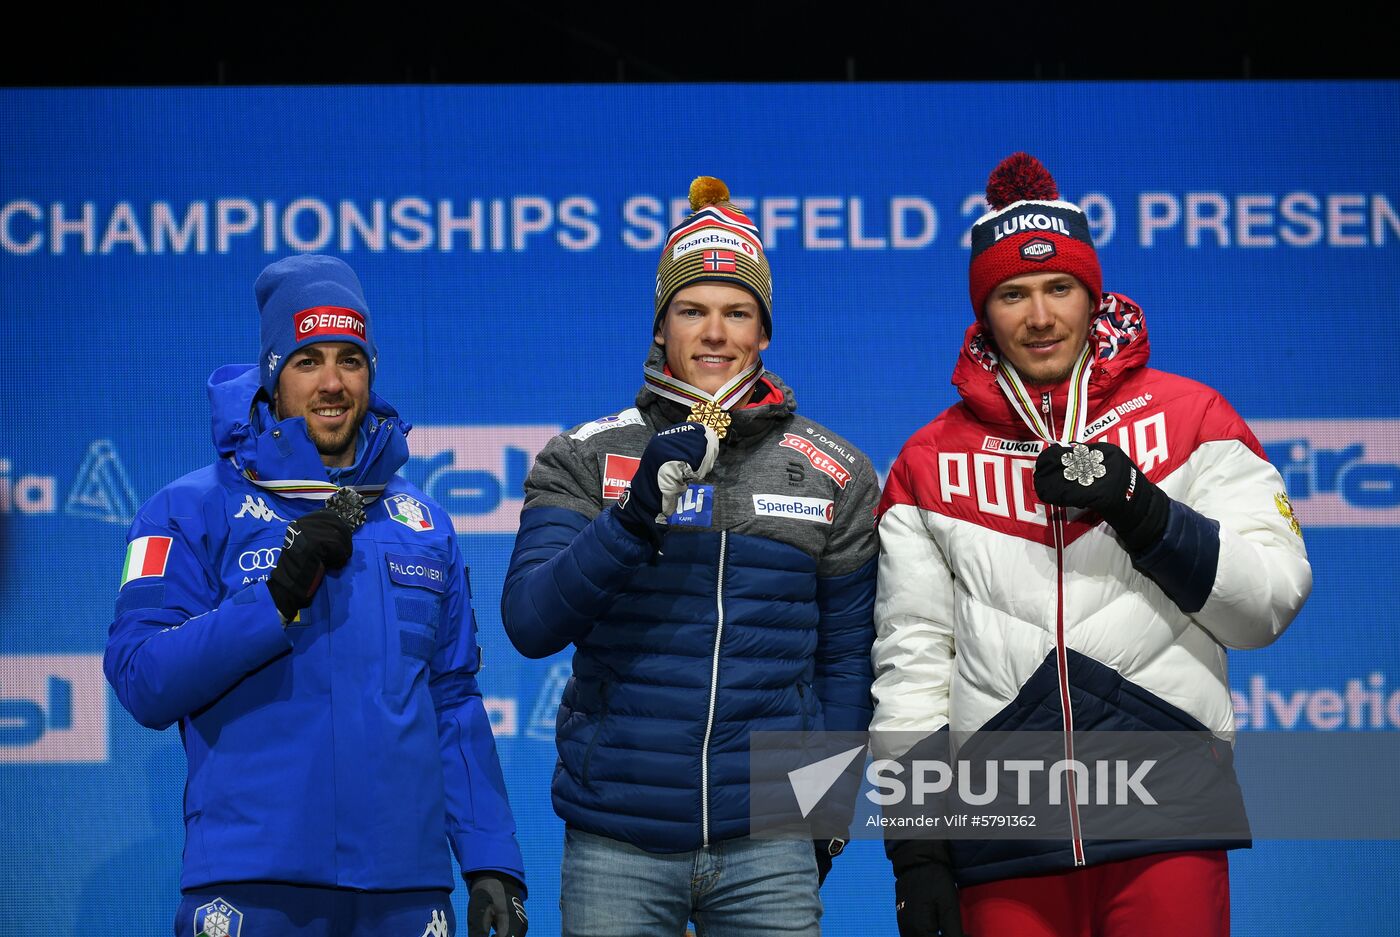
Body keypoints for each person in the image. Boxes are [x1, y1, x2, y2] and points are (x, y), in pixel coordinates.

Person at [872, 154, 1312, 937]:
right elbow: (913, 665)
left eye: (1058, 289)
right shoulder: (925, 463)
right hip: (1002, 836)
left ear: (1091, 295)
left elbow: (1268, 604)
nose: (1039, 317)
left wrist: (1145, 509)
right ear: (984, 310)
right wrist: (916, 847)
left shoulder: (1195, 417)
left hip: (1167, 818)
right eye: (1013, 294)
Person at [104, 254, 527, 937]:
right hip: (252, 883)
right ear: (273, 377)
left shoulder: (422, 525)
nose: (332, 382)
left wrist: (489, 861)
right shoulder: (188, 510)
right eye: (308, 360)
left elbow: (452, 700)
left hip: (405, 889)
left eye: (350, 359)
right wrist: (269, 601)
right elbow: (141, 677)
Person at [501, 177, 879, 936]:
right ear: (661, 326)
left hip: (768, 843)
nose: (715, 333)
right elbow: (530, 621)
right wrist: (634, 515)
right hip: (617, 837)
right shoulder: (584, 456)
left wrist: (821, 812)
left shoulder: (836, 470)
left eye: (737, 312)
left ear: (764, 331)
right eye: (692, 310)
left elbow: (845, 663)